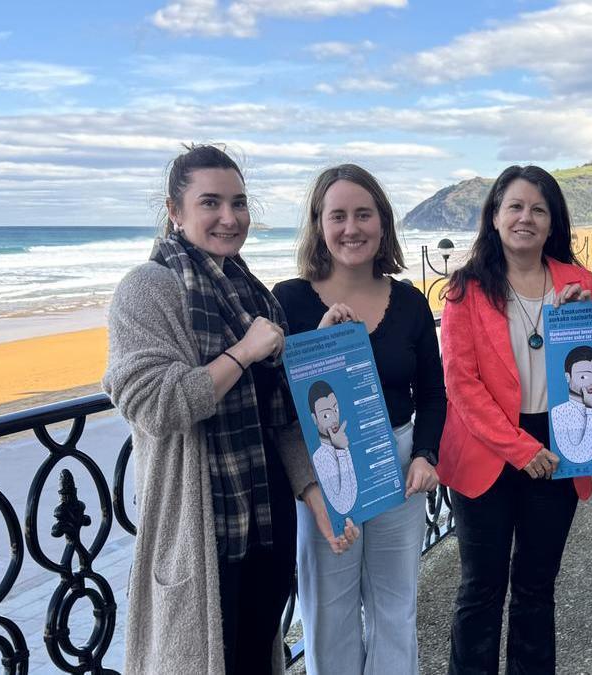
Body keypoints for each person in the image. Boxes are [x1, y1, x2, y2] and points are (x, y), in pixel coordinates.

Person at [102, 144, 356, 675]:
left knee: (254, 657)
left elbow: (282, 416)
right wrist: (242, 353)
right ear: (175, 211)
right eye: (210, 203)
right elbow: (156, 404)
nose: (228, 217)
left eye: (238, 204)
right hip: (201, 524)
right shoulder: (146, 290)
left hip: (266, 521)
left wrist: (316, 498)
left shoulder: (255, 297)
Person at [272, 163, 446, 675]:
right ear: (319, 224)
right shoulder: (289, 299)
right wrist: (317, 345)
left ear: (383, 222)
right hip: (325, 468)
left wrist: (425, 454)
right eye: (338, 215)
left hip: (396, 461)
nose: (352, 228)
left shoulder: (411, 302)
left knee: (397, 605)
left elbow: (435, 392)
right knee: (329, 609)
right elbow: (277, 402)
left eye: (363, 214)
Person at [438, 164, 592, 674]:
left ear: (553, 223)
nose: (525, 217)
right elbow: (461, 384)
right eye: (515, 207)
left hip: (558, 439)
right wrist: (519, 448)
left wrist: (584, 313)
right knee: (480, 588)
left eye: (538, 209)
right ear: (495, 216)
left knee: (536, 585)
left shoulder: (579, 283)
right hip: (487, 446)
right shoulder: (464, 289)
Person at [307, 379, 358, 514]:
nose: (335, 418)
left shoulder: (345, 441)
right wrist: (341, 450)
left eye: (336, 409)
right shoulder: (320, 456)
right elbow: (343, 505)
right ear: (314, 418)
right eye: (326, 415)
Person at [551, 345, 592, 463]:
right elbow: (578, 455)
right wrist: (591, 409)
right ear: (568, 377)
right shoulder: (559, 412)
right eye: (584, 376)